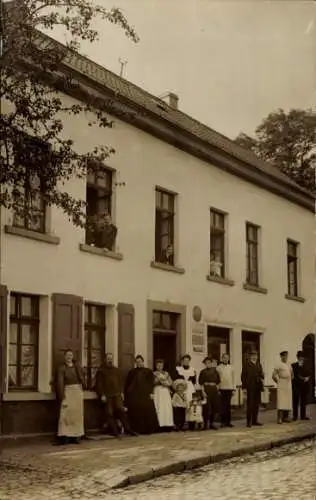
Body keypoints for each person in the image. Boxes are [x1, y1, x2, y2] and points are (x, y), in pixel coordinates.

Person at [95, 353, 136, 438]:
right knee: (109, 413)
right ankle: (115, 431)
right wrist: (102, 394)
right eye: (108, 359)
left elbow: (120, 382)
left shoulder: (116, 370)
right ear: (105, 360)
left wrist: (121, 392)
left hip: (117, 394)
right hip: (107, 395)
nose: (110, 360)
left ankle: (128, 429)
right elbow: (99, 384)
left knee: (121, 411)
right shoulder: (101, 371)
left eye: (111, 359)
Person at [56, 349, 85, 445]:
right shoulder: (62, 368)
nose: (69, 357)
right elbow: (60, 383)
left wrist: (82, 387)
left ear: (73, 357)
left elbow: (82, 378)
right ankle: (65, 436)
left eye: (71, 355)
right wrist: (62, 396)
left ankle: (76, 436)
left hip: (77, 392)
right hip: (67, 391)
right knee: (66, 414)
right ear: (65, 357)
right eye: (67, 355)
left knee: (76, 415)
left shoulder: (77, 367)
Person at [125, 355, 159, 434]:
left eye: (139, 362)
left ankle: (148, 430)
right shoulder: (132, 372)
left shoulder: (148, 371)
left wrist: (151, 392)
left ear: (143, 362)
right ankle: (137, 429)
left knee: (147, 412)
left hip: (145, 395)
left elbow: (151, 383)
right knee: (136, 412)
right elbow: (128, 383)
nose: (138, 363)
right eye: (137, 362)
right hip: (136, 395)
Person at [241, 350, 264, 427]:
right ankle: (249, 422)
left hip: (257, 387)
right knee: (250, 405)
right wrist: (244, 387)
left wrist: (261, 377)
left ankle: (255, 420)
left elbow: (261, 374)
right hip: (250, 387)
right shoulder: (246, 365)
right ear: (250, 356)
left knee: (256, 405)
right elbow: (243, 377)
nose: (254, 357)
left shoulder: (258, 364)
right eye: (253, 355)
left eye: (256, 355)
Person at [199, 357, 220, 430]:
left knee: (214, 407)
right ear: (204, 364)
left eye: (209, 363)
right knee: (206, 408)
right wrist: (203, 392)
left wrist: (217, 390)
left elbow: (218, 382)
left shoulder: (215, 371)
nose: (208, 364)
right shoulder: (202, 372)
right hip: (206, 389)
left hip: (214, 390)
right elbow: (201, 383)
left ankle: (211, 424)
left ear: (211, 363)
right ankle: (205, 424)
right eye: (206, 363)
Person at [272, 351, 293, 424]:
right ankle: (279, 418)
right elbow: (273, 375)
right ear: (281, 357)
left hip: (288, 384)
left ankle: (285, 417)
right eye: (284, 356)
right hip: (282, 384)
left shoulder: (289, 364)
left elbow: (292, 374)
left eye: (286, 356)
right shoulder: (278, 364)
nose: (285, 357)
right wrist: (278, 382)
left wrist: (290, 378)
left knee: (287, 401)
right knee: (281, 401)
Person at [153, 359, 174, 431]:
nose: (159, 367)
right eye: (158, 365)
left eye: (161, 365)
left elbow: (171, 382)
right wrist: (158, 380)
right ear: (156, 366)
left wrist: (166, 383)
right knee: (159, 406)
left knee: (166, 407)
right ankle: (159, 425)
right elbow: (152, 383)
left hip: (165, 391)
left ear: (163, 366)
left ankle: (167, 424)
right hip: (158, 391)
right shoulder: (154, 373)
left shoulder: (166, 373)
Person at [217, 353, 235, 427]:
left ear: (229, 359)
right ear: (222, 358)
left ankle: (228, 422)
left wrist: (234, 389)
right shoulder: (218, 368)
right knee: (222, 406)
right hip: (221, 388)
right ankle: (222, 422)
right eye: (224, 358)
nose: (226, 359)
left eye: (227, 358)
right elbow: (217, 379)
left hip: (229, 388)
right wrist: (218, 389)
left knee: (228, 406)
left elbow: (233, 378)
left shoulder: (231, 367)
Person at [292, 350, 311, 421]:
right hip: (296, 386)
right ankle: (295, 416)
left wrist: (308, 378)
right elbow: (294, 375)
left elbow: (309, 373)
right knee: (295, 402)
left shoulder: (306, 366)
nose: (301, 359)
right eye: (300, 357)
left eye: (302, 358)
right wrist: (303, 378)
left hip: (304, 386)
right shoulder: (293, 365)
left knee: (303, 401)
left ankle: (303, 416)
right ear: (297, 358)